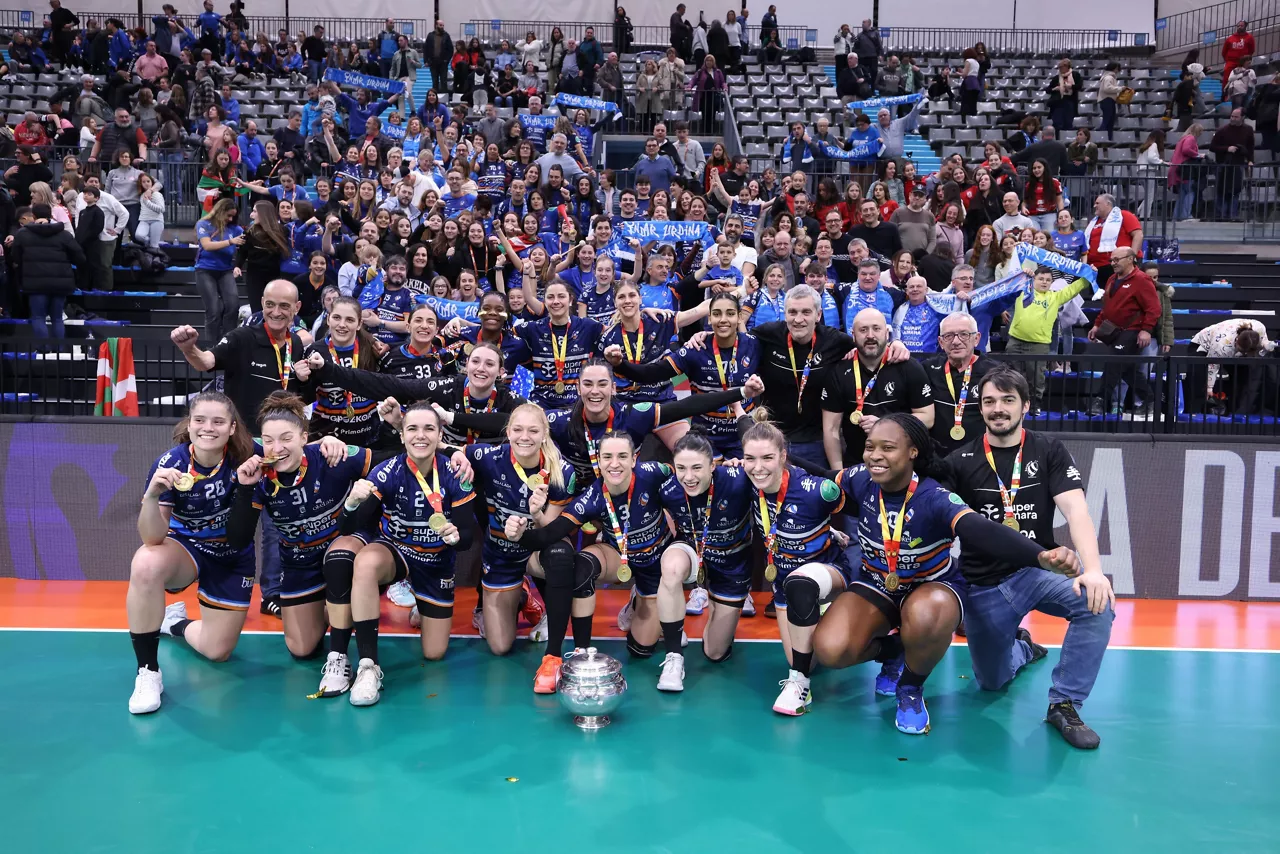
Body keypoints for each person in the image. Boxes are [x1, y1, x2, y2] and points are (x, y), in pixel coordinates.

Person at [945, 368, 1114, 748]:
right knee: (991, 682)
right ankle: (1022, 647)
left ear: (1026, 405)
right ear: (980, 407)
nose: (998, 409)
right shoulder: (960, 460)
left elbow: (1077, 512)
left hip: (1035, 573)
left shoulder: (1048, 449)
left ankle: (1064, 704)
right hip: (983, 585)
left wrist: (1095, 571)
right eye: (989, 401)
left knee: (1097, 604)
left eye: (1007, 400)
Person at [225, 392, 379, 697]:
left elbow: (390, 463)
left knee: (340, 557)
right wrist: (244, 490)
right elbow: (238, 540)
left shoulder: (330, 455)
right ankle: (336, 608)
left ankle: (343, 656)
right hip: (299, 562)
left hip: (346, 550)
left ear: (304, 438)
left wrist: (368, 495)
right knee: (301, 648)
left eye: (286, 438)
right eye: (268, 440)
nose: (277, 448)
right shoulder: (258, 476)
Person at [125, 393, 257, 714]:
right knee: (145, 561)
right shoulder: (171, 463)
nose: (207, 428)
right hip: (188, 550)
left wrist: (326, 443)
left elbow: (289, 449)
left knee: (217, 652)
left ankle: (177, 625)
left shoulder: (249, 455)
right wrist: (152, 495)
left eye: (218, 421)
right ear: (189, 424)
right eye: (199, 420)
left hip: (232, 558)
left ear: (231, 427)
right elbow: (153, 537)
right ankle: (148, 671)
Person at [339, 404, 475, 706]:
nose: (420, 435)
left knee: (434, 653)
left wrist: (455, 536)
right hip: (397, 553)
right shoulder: (387, 472)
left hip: (436, 564)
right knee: (365, 562)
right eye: (412, 429)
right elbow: (349, 527)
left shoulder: (455, 474)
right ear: (402, 435)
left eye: (429, 428)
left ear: (440, 435)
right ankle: (368, 667)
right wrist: (350, 504)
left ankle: (420, 605)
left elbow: (468, 536)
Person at [820, 307, 933, 469]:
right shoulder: (839, 372)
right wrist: (838, 474)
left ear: (887, 333)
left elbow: (928, 418)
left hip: (902, 465)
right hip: (856, 465)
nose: (870, 335)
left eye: (876, 328)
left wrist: (887, 423)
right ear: (853, 335)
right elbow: (831, 429)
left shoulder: (909, 367)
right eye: (863, 330)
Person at [1004, 267, 1092, 415]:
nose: (1044, 282)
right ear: (1034, 279)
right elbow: (1009, 283)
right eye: (1041, 279)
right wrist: (1022, 273)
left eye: (1048, 280)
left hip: (1039, 344)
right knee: (1012, 375)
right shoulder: (1023, 291)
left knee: (1036, 378)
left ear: (1052, 282)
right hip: (1016, 341)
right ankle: (1012, 403)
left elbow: (1073, 289)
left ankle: (1035, 404)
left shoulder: (1055, 297)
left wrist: (1088, 275)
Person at [1087, 247, 1160, 417]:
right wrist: (1097, 325)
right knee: (1127, 369)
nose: (1113, 263)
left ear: (1130, 259)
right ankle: (1150, 400)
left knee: (1113, 361)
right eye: (1112, 260)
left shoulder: (1142, 280)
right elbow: (1107, 307)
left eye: (1117, 260)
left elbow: (1154, 308)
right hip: (1114, 330)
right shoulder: (1112, 279)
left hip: (1132, 330)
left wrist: (1146, 330)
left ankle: (1100, 400)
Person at [923, 313, 996, 456]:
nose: (956, 341)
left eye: (964, 334)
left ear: (977, 339)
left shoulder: (995, 373)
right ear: (941, 342)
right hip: (937, 459)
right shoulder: (928, 370)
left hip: (981, 458)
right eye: (948, 336)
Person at [12, 203, 86, 339]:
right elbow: (80, 257)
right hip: (60, 282)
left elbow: (15, 257)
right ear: (51, 215)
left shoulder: (22, 234)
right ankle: (58, 352)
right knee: (57, 318)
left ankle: (43, 351)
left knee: (38, 317)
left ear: (33, 216)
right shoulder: (64, 235)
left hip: (35, 283)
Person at [193, 199, 244, 344]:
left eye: (233, 216)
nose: (230, 219)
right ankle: (212, 346)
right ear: (220, 212)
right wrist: (230, 242)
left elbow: (246, 240)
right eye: (228, 215)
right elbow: (207, 245)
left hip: (226, 270)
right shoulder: (204, 224)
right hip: (205, 270)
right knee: (213, 309)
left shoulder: (235, 229)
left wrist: (238, 265)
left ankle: (227, 342)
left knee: (233, 305)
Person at [1084, 193, 1143, 283]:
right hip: (1096, 268)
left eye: (1097, 203)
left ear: (1107, 204)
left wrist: (1131, 257)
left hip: (1120, 265)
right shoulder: (1094, 222)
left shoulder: (1124, 215)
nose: (1094, 205)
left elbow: (1138, 234)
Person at [1209, 108, 1254, 222]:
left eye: (1236, 117)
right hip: (1223, 164)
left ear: (1242, 118)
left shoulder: (1248, 130)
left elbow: (1250, 148)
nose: (1233, 119)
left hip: (1238, 165)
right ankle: (1221, 216)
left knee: (1235, 192)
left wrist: (1250, 160)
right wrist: (1227, 149)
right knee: (1221, 191)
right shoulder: (1222, 130)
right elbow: (1212, 147)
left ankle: (1232, 216)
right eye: (1232, 116)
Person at [1221, 20, 1255, 86]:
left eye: (1241, 26)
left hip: (1243, 62)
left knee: (1244, 78)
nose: (1239, 27)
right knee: (1226, 78)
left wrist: (1246, 59)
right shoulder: (1230, 39)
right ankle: (1224, 94)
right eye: (1238, 26)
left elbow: (1252, 50)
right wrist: (1228, 60)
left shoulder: (1249, 37)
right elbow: (1224, 52)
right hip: (1231, 62)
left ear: (1245, 26)